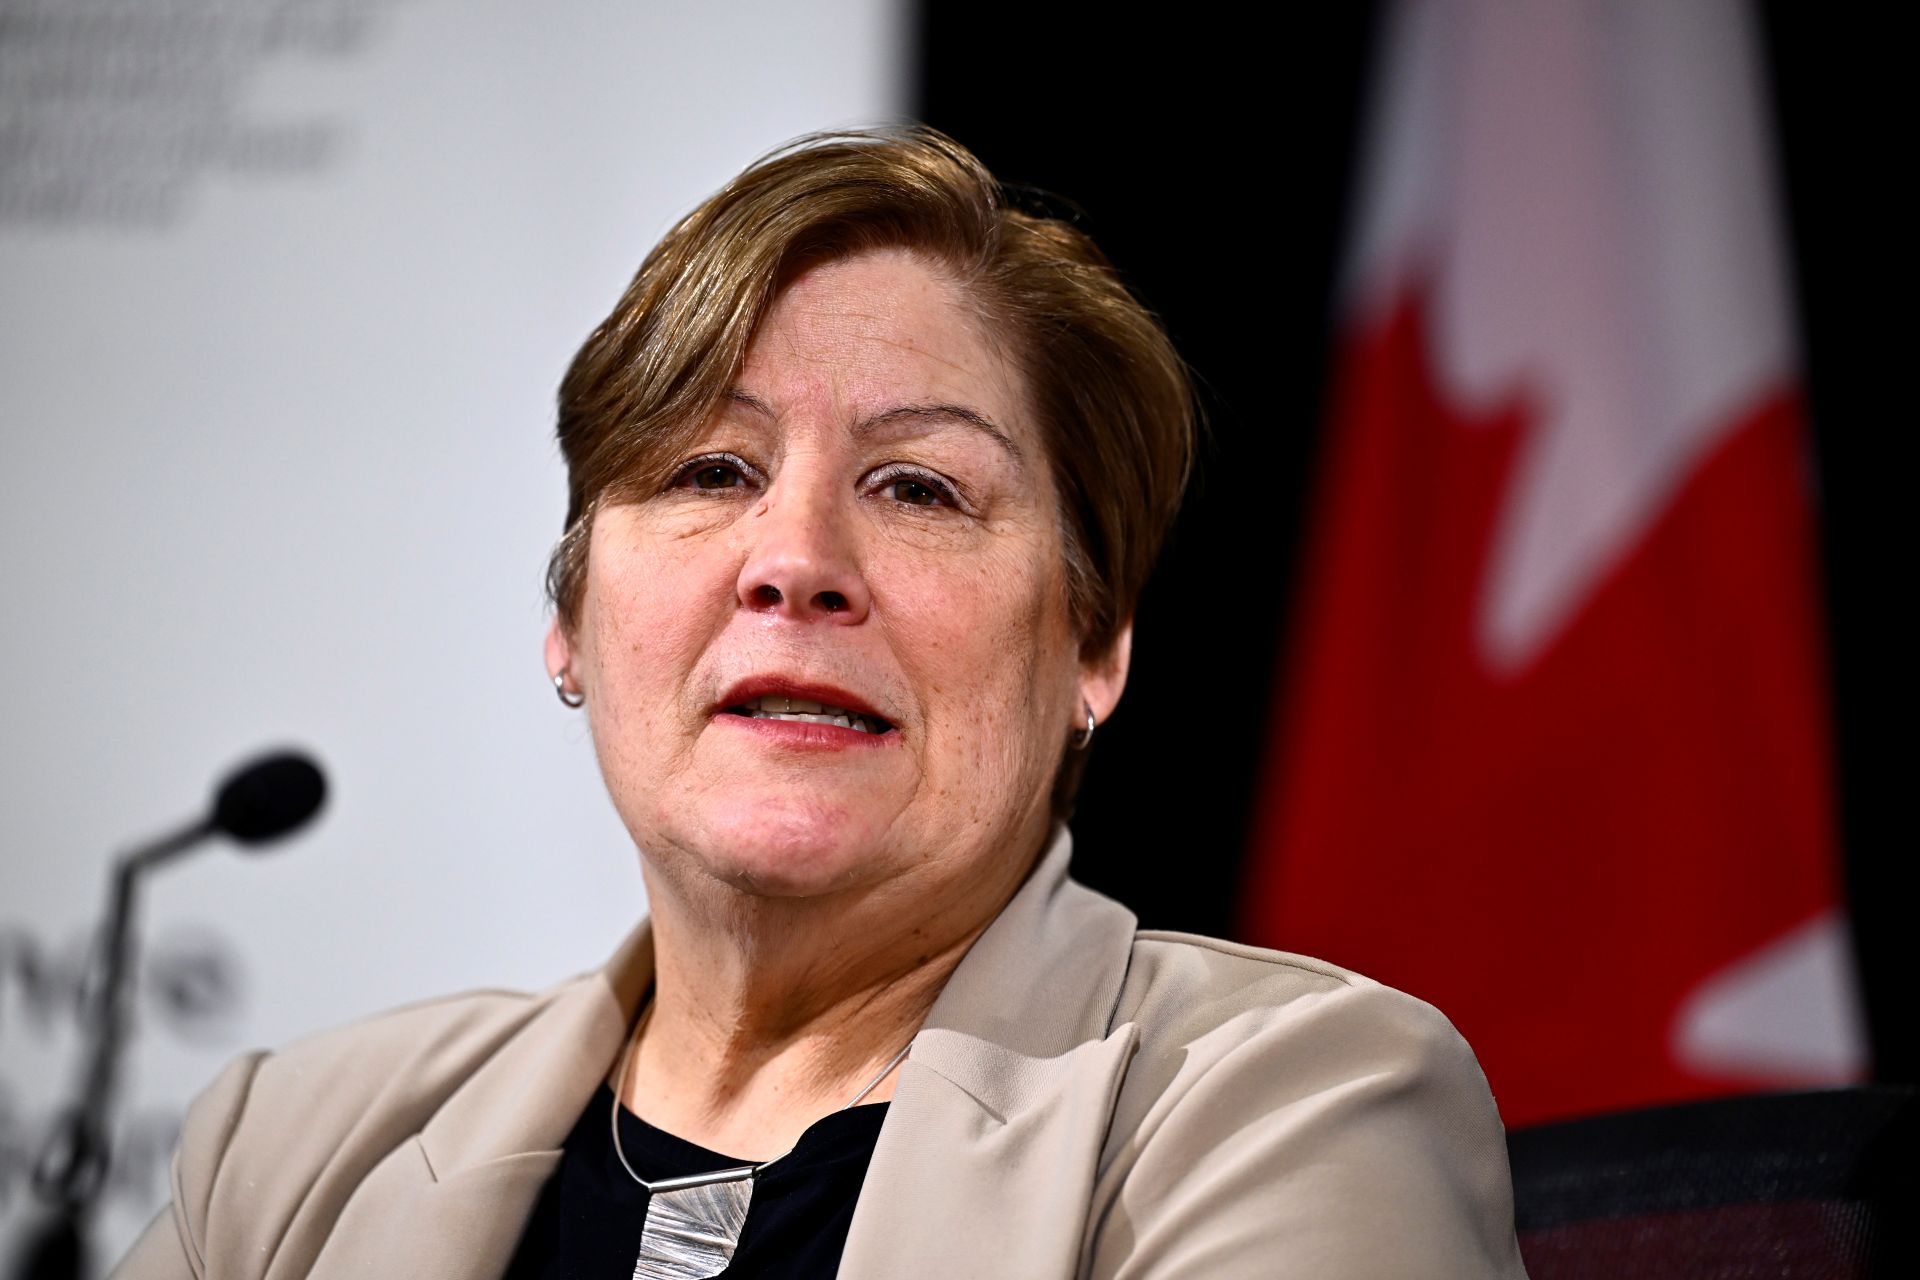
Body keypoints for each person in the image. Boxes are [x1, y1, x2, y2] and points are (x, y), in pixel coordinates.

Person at [113, 128, 1527, 1279]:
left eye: (919, 487)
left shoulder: (1283, 1109)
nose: (795, 564)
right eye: (710, 474)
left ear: (1093, 647)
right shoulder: (291, 1154)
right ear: (570, 624)